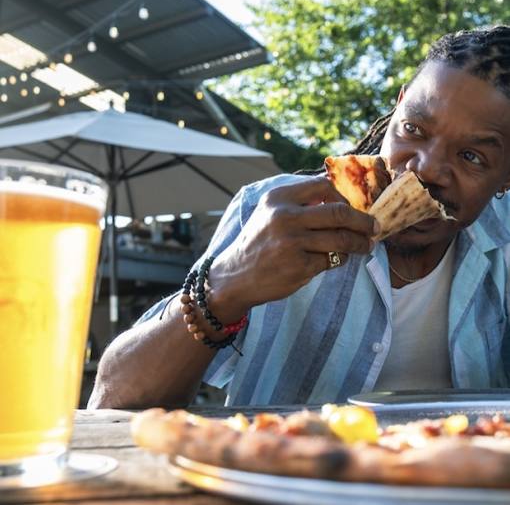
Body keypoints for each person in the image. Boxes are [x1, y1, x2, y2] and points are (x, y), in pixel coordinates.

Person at [89, 26, 510, 409]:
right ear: (397, 109)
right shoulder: (273, 213)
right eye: (414, 129)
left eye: (471, 156)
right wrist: (226, 288)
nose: (425, 170)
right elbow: (110, 404)